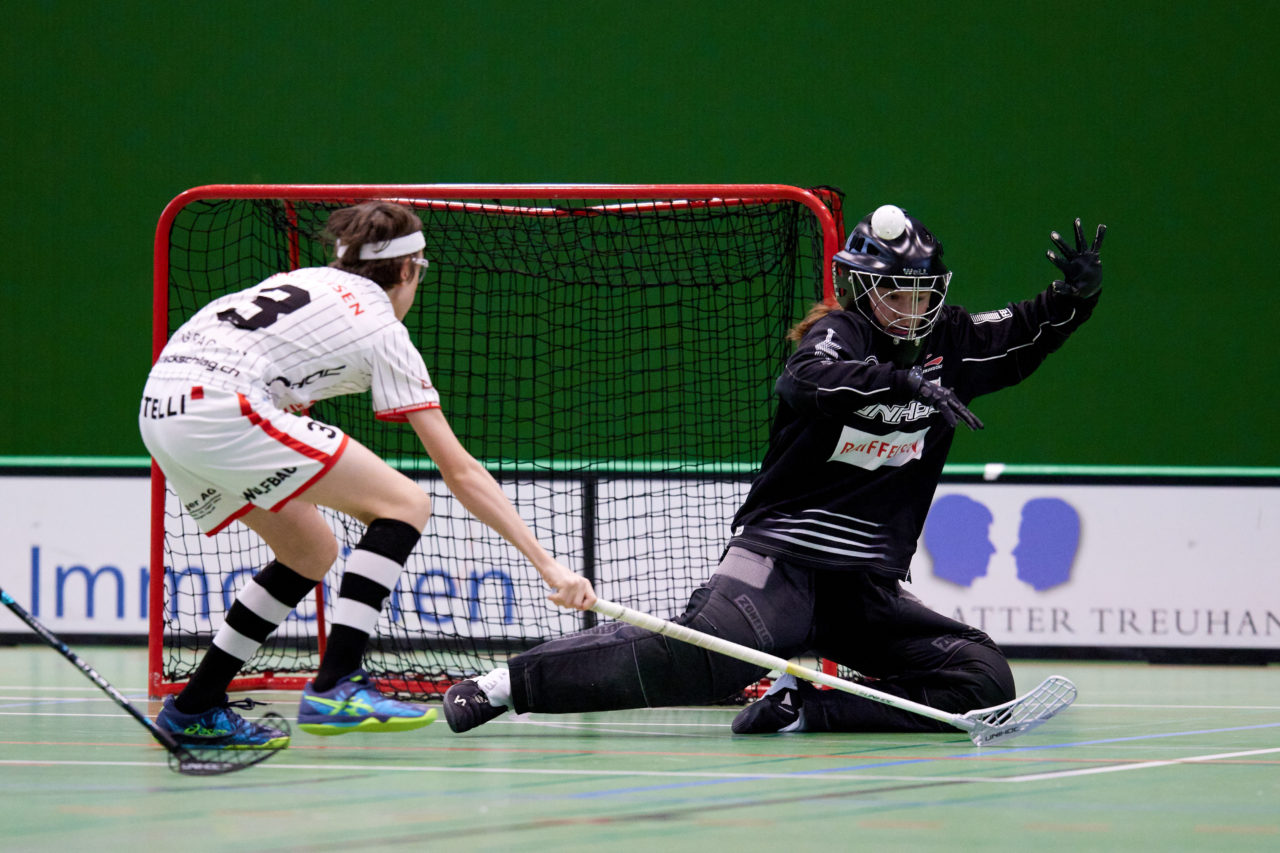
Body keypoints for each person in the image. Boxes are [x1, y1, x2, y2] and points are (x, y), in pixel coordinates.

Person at [443, 205, 1105, 737]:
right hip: (780, 564)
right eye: (896, 293)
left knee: (982, 677)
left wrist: (1074, 297)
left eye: (921, 292)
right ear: (861, 289)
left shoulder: (950, 343)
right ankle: (504, 686)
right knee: (702, 660)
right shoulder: (838, 334)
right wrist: (897, 381)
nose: (911, 307)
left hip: (863, 587)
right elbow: (807, 379)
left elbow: (1024, 332)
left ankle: (804, 710)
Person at [141, 201, 596, 748]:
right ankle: (338, 684)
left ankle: (194, 706)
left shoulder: (303, 281)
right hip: (222, 406)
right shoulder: (381, 326)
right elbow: (460, 471)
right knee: (405, 503)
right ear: (406, 269)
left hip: (159, 407)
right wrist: (548, 566)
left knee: (308, 551)